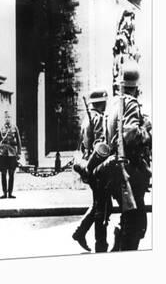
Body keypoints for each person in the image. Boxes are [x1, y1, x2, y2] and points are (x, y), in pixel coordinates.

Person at [101, 62, 152, 251]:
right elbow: (130, 135)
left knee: (129, 218)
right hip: (130, 172)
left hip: (117, 170)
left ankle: (119, 247)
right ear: (136, 88)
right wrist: (146, 130)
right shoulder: (131, 104)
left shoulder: (113, 104)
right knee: (137, 224)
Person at [71, 88, 111, 252]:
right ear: (103, 102)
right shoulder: (99, 119)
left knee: (101, 204)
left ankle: (80, 232)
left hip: (88, 164)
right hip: (96, 167)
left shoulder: (87, 119)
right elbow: (101, 146)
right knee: (102, 207)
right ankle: (100, 244)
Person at [0, 111, 21, 199]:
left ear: (11, 118)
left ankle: (10, 193)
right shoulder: (2, 128)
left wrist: (19, 153)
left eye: (9, 117)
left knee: (11, 174)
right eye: (6, 117)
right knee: (3, 174)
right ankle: (4, 193)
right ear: (4, 118)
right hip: (3, 154)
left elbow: (18, 141)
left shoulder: (15, 128)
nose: (7, 119)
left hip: (12, 153)